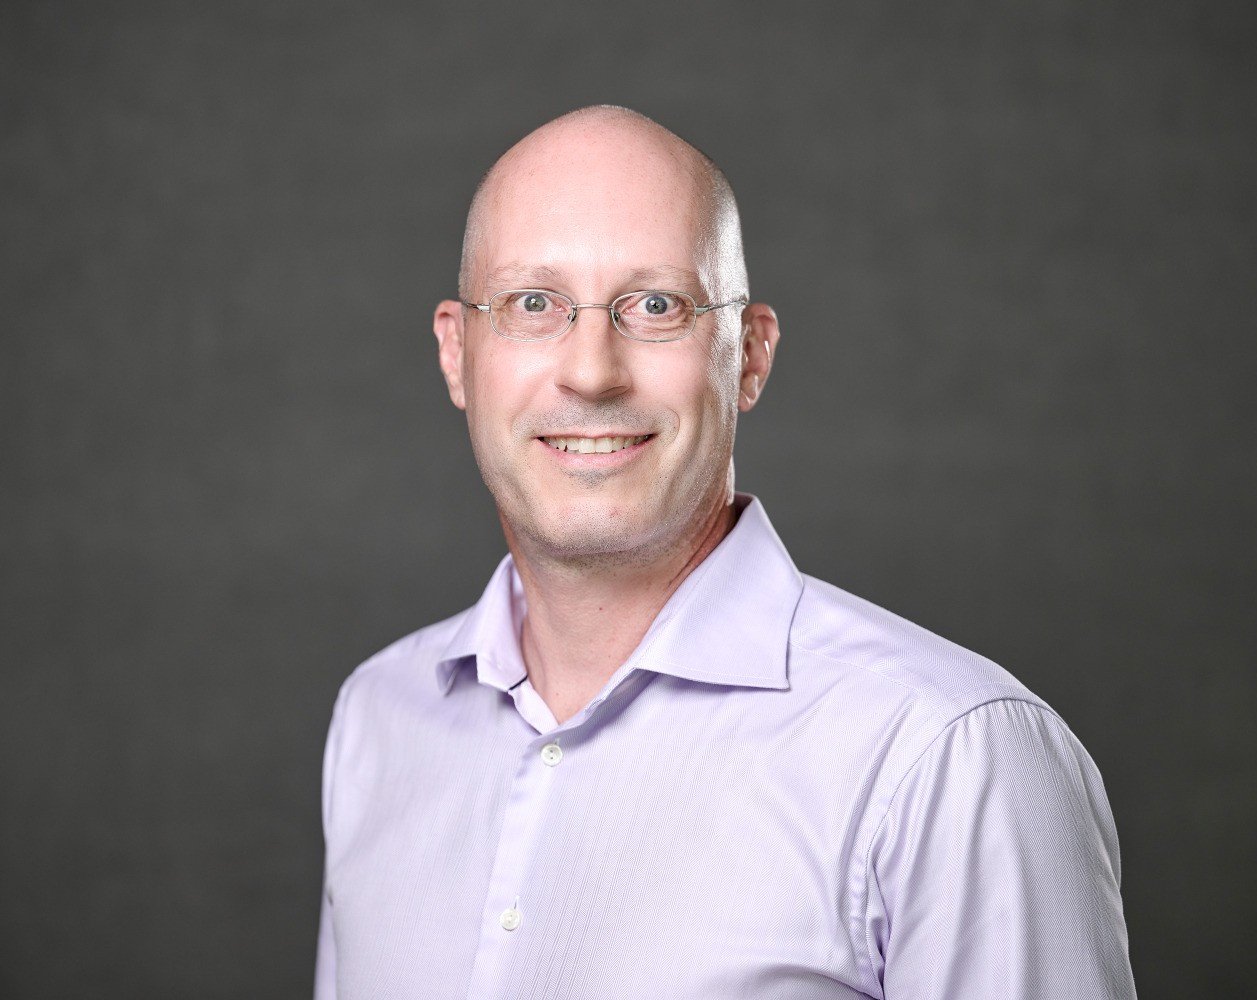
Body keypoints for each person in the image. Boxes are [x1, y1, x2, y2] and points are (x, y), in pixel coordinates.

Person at [314, 104, 1135, 999]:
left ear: (749, 355)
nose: (591, 371)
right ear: (456, 353)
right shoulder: (379, 722)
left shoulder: (948, 758)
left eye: (656, 305)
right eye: (534, 304)